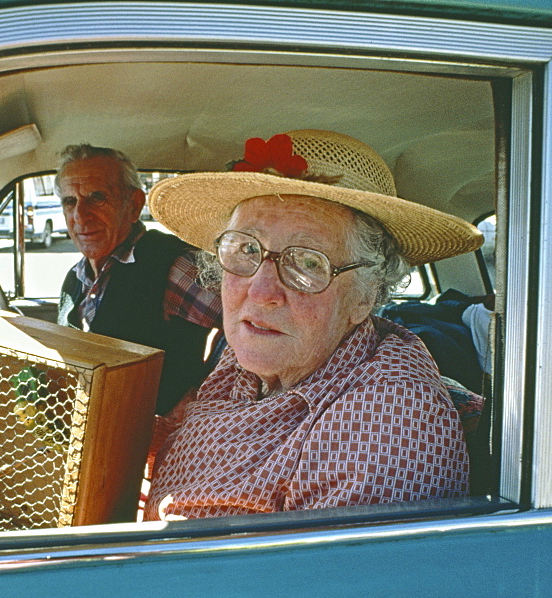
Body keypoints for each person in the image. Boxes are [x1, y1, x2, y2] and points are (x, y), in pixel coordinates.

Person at [142, 129, 484, 520]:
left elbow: (300, 581)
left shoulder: (382, 427)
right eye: (246, 249)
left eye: (307, 262)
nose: (261, 289)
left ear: (364, 296)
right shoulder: (252, 358)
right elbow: (212, 454)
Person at [54, 144, 222, 415]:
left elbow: (250, 325)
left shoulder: (174, 265)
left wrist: (205, 393)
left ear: (133, 205)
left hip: (155, 440)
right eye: (69, 202)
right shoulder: (74, 279)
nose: (79, 216)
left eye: (96, 198)